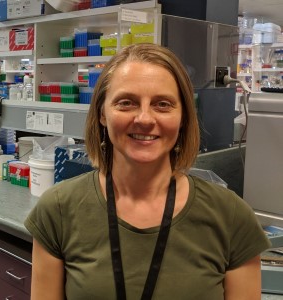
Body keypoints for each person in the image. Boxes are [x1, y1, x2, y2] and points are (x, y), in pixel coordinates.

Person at [25, 43, 271, 300]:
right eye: (126, 102)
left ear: (184, 117)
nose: (144, 118)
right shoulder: (57, 210)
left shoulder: (231, 217)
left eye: (162, 104)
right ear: (102, 114)